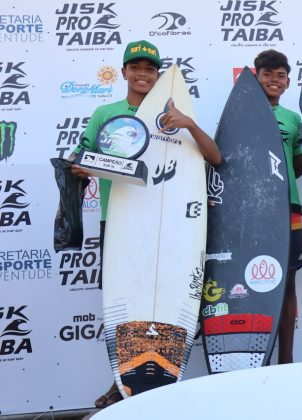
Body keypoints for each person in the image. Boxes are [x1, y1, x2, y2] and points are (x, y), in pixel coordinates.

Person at [69, 40, 221, 408]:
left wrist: (187, 123)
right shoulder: (107, 113)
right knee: (127, 298)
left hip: (173, 226)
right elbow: (80, 155)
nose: (142, 74)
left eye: (150, 69)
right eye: (135, 67)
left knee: (167, 298)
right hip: (122, 223)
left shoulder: (176, 113)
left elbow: (215, 157)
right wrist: (79, 168)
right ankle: (121, 383)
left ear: (157, 74)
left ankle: (156, 378)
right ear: (123, 72)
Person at [253, 50, 302, 364]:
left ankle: (287, 360)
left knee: (288, 283)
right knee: (253, 280)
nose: (274, 80)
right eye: (267, 74)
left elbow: (296, 167)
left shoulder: (293, 119)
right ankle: (257, 357)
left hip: (288, 206)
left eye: (280, 75)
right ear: (256, 77)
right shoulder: (241, 113)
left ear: (288, 81)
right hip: (252, 208)